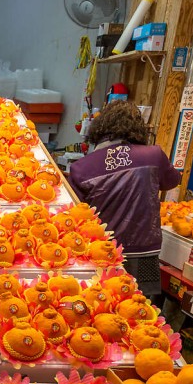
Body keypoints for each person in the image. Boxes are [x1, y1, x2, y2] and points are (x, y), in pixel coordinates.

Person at [68, 101, 181, 300]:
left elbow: (76, 212)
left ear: (100, 127)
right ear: (137, 127)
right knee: (140, 309)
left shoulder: (82, 167)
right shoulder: (154, 156)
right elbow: (171, 181)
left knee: (101, 306)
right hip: (144, 250)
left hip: (102, 252)